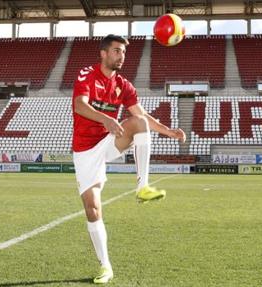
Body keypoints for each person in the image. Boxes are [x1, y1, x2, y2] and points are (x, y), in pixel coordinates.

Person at [72, 34, 186, 284]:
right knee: (92, 209)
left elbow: (141, 116)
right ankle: (105, 267)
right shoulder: (87, 74)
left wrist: (168, 131)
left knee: (139, 122)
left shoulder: (124, 85)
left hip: (109, 140)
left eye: (123, 52)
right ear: (103, 53)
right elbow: (80, 105)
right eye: (116, 51)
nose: (121, 56)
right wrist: (105, 118)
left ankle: (142, 186)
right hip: (85, 150)